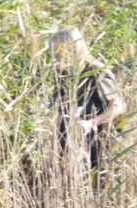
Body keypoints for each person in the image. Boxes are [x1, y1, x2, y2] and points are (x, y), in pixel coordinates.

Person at [50, 27, 126, 177]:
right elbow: (59, 115)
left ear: (73, 48)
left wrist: (91, 123)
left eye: (60, 52)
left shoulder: (97, 71)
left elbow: (118, 107)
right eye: (55, 53)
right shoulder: (63, 75)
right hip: (72, 152)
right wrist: (52, 154)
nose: (57, 57)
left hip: (100, 148)